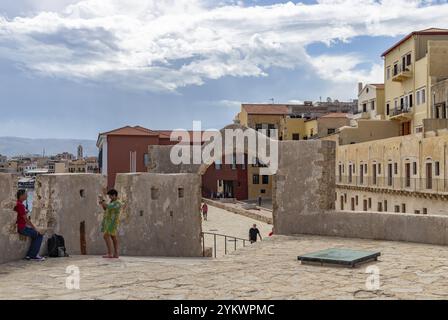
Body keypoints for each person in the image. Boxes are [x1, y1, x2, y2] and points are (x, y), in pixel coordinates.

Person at [14, 189, 45, 261]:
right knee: (39, 235)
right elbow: (26, 220)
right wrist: (34, 228)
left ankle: (29, 255)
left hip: (21, 226)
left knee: (35, 234)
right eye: (25, 194)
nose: (27, 196)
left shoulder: (18, 203)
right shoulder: (20, 205)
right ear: (21, 196)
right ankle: (33, 255)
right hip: (22, 228)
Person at [99, 189, 122, 259]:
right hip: (109, 222)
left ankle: (110, 253)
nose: (109, 197)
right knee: (113, 237)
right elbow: (106, 209)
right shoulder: (112, 202)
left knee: (106, 236)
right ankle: (116, 254)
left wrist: (102, 200)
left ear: (114, 195)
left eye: (110, 196)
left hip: (112, 223)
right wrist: (102, 204)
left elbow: (108, 206)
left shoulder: (117, 203)